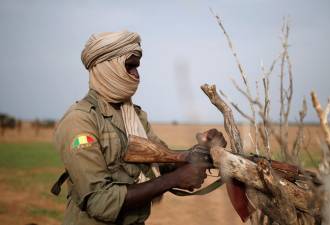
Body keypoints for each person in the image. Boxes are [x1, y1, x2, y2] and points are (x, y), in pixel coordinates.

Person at [53, 31, 226, 225]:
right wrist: (174, 179)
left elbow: (161, 160)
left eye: (137, 67)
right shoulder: (80, 120)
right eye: (130, 66)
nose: (136, 74)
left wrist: (199, 153)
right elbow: (100, 201)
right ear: (108, 68)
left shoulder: (133, 114)